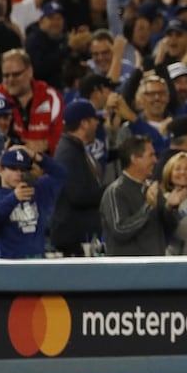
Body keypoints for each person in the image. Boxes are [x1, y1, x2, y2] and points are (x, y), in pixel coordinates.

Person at [0, 147, 67, 259]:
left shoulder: (37, 190)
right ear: (0, 170)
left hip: (36, 261)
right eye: (13, 168)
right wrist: (13, 198)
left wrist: (33, 155)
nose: (19, 174)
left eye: (23, 169)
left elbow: (61, 174)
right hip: (7, 264)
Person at [51, 100, 106, 256]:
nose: (97, 124)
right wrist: (109, 190)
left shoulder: (75, 149)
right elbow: (77, 195)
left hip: (80, 235)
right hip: (72, 238)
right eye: (94, 119)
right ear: (84, 123)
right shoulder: (68, 153)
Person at [100, 135, 164, 256]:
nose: (155, 160)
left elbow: (169, 228)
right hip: (128, 269)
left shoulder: (152, 188)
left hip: (156, 266)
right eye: (151, 155)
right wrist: (148, 207)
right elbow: (120, 230)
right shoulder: (115, 192)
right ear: (134, 158)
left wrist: (172, 206)